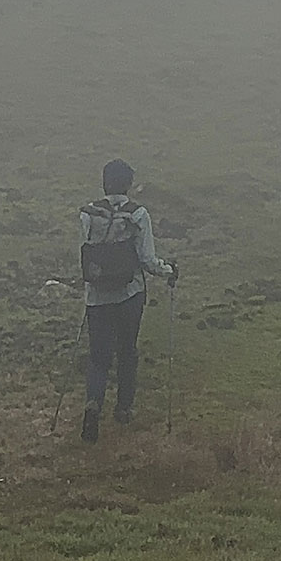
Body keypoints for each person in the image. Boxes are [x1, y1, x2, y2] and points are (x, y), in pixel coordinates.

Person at [77, 158, 176, 442]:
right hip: (129, 294)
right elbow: (146, 260)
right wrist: (169, 270)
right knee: (127, 351)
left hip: (96, 297)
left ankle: (93, 402)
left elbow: (86, 252)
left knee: (98, 356)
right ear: (128, 185)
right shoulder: (137, 214)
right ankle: (123, 409)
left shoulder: (87, 214)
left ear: (104, 181)